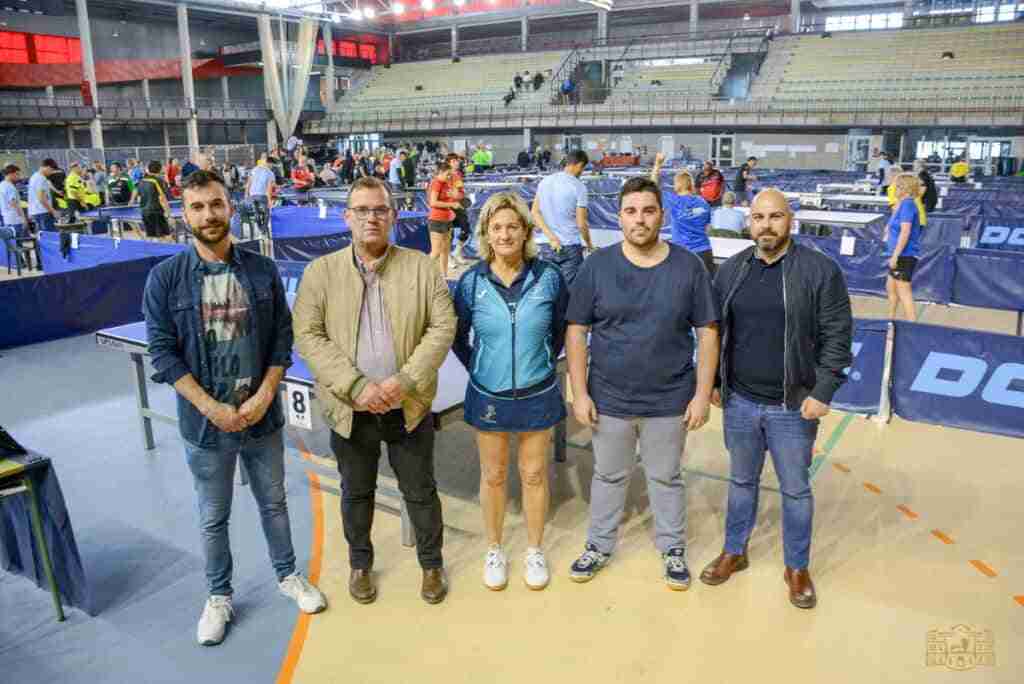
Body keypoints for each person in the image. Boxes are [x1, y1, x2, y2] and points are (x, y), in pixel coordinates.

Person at [142, 170, 327, 646]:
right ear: (186, 214)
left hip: (261, 417)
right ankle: (219, 595)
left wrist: (267, 393)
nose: (209, 215)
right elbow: (162, 352)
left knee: (274, 503)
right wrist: (210, 407)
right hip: (206, 427)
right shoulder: (165, 280)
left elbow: (282, 338)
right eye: (199, 207)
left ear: (231, 207)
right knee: (212, 516)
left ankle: (288, 576)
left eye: (217, 204)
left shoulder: (261, 270)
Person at [292, 176, 456, 605]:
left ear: (394, 216)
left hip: (410, 406)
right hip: (350, 409)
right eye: (362, 210)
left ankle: (431, 564)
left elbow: (442, 328)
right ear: (347, 217)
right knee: (356, 492)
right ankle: (360, 564)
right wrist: (357, 386)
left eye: (380, 210)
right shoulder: (319, 273)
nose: (371, 218)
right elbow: (308, 336)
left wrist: (403, 382)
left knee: (420, 491)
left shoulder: (422, 268)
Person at [565, 177, 720, 590]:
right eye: (631, 211)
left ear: (661, 216)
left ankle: (672, 549)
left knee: (665, 477)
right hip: (609, 398)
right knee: (609, 475)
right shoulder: (596, 266)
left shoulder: (688, 266)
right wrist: (579, 393)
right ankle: (598, 545)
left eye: (648, 210)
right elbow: (577, 330)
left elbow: (707, 331)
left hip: (669, 399)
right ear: (619, 218)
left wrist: (703, 394)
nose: (640, 219)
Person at [702, 188, 852, 611]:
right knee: (742, 481)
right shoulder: (731, 271)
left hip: (794, 405)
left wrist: (823, 391)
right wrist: (714, 381)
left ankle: (797, 567)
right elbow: (717, 333)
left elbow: (838, 335)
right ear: (748, 222)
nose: (765, 225)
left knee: (795, 490)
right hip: (740, 402)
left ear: (791, 221)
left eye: (775, 217)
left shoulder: (819, 271)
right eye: (758, 218)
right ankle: (735, 550)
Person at [452, 192, 569, 592]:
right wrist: (483, 368)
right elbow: (458, 337)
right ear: (486, 233)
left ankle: (535, 548)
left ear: (525, 231)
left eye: (512, 226)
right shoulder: (470, 282)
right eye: (496, 227)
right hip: (489, 393)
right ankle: (495, 547)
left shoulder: (550, 277)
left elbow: (558, 334)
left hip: (538, 391)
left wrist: (537, 361)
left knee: (534, 473)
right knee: (494, 474)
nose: (504, 234)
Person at [531, 149, 593, 287]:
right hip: (570, 246)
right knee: (570, 292)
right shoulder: (579, 187)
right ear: (579, 165)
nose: (581, 172)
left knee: (547, 289)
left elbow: (535, 212)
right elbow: (581, 223)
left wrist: (551, 237)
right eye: (583, 168)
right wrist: (589, 245)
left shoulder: (544, 182)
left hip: (546, 244)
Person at [651, 153, 715, 274]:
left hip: (681, 254)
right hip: (704, 252)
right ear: (691, 185)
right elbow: (707, 228)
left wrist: (657, 164)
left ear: (677, 185)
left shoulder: (673, 200)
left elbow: (652, 186)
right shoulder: (703, 203)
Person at [884, 173, 924, 322]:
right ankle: (890, 320)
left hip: (904, 255)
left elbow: (905, 232)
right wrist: (888, 229)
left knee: (904, 292)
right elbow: (895, 224)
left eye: (897, 186)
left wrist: (895, 255)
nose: (893, 188)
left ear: (904, 188)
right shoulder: (902, 204)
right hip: (898, 254)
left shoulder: (908, 204)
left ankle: (913, 326)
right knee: (891, 288)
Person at [427, 161, 460, 276]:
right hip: (436, 220)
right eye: (447, 174)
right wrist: (450, 205)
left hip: (447, 220)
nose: (449, 176)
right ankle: (422, 274)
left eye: (450, 174)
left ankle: (444, 276)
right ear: (440, 172)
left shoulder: (446, 184)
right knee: (436, 251)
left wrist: (452, 202)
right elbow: (433, 202)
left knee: (445, 250)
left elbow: (450, 199)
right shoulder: (436, 183)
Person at [0, 164, 31, 267]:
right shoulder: (10, 187)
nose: (19, 177)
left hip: (7, 217)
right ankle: (20, 263)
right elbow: (14, 203)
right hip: (15, 218)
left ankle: (18, 262)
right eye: (17, 174)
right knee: (17, 242)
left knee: (12, 242)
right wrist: (23, 218)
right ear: (11, 174)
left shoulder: (2, 185)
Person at [138, 160, 173, 241]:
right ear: (160, 169)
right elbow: (162, 198)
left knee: (151, 236)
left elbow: (139, 198)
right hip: (156, 211)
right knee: (166, 236)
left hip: (144, 212)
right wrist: (168, 213)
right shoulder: (158, 180)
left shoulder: (142, 181)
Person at [28, 159, 61, 234]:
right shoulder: (41, 178)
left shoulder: (34, 176)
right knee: (50, 236)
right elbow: (41, 198)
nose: (51, 173)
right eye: (51, 170)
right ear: (47, 167)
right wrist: (53, 211)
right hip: (43, 212)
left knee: (41, 236)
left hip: (37, 212)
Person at [245, 155, 277, 231]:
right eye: (272, 165)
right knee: (267, 212)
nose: (272, 166)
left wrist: (246, 194)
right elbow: (269, 188)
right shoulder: (270, 173)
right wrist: (269, 201)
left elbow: (249, 183)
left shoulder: (254, 169)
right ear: (269, 163)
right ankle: (263, 229)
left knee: (256, 212)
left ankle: (259, 226)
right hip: (262, 195)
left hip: (252, 195)